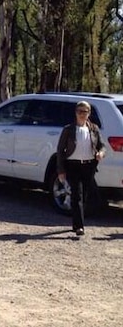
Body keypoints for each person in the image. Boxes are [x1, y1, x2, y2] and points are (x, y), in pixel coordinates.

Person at [56, 101, 107, 237]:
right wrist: (61, 171)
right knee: (76, 194)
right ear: (75, 112)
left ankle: (76, 222)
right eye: (79, 111)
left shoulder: (94, 129)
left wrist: (100, 153)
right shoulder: (68, 129)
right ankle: (79, 226)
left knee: (84, 195)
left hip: (89, 165)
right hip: (73, 165)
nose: (82, 114)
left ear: (89, 113)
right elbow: (60, 151)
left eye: (85, 112)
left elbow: (102, 146)